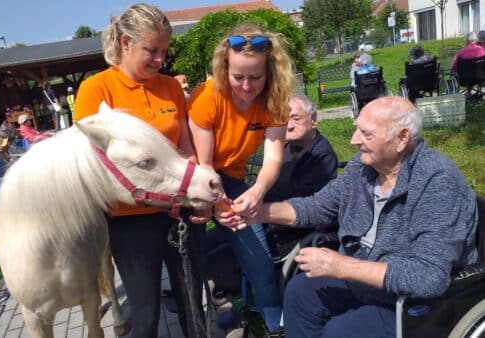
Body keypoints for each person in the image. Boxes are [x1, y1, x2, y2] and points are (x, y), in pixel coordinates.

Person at [217, 96, 478, 338]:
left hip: (410, 301)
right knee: (299, 291)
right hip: (364, 277)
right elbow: (317, 206)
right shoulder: (362, 168)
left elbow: (428, 276)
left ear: (402, 138)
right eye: (357, 129)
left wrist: (340, 266)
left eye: (366, 133)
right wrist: (256, 213)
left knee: (339, 331)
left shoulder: (436, 181)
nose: (353, 140)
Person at [73, 4, 205, 338]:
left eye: (163, 51)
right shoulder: (96, 89)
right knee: (145, 315)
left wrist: (200, 194)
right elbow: (90, 165)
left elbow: (186, 148)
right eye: (151, 50)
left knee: (192, 304)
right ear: (125, 43)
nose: (160, 60)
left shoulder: (171, 87)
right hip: (131, 219)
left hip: (180, 211)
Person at [188, 22, 294, 332]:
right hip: (196, 176)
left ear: (270, 73)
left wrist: (258, 190)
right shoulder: (208, 97)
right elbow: (204, 164)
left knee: (259, 259)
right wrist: (218, 205)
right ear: (225, 69)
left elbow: (273, 156)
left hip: (233, 181)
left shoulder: (275, 99)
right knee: (192, 259)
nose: (246, 86)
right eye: (238, 77)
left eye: (255, 77)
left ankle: (274, 321)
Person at [265, 94, 338, 203]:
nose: (289, 126)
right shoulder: (285, 146)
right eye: (284, 119)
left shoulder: (322, 156)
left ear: (313, 120)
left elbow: (305, 205)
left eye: (296, 119)